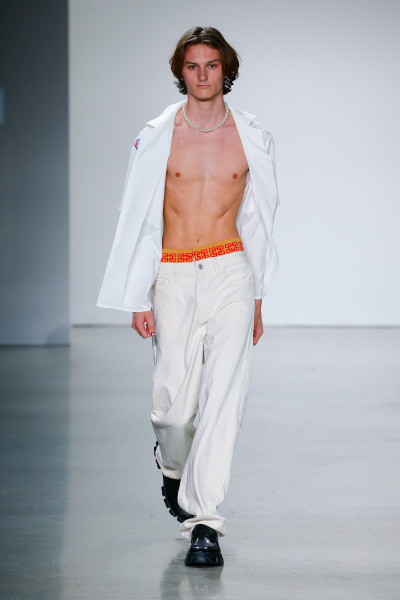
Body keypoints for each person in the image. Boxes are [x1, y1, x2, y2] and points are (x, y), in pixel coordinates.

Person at [96, 26, 280, 567]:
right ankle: (172, 467)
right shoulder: (157, 135)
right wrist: (138, 295)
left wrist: (259, 296)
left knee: (224, 399)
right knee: (173, 409)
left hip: (231, 272)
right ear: (181, 71)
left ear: (227, 69)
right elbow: (138, 217)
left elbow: (260, 220)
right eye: (193, 65)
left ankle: (205, 524)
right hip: (173, 276)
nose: (203, 75)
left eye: (212, 65)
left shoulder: (252, 137)